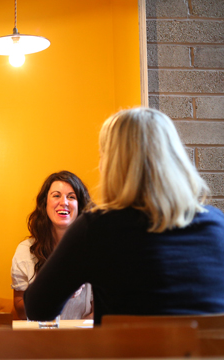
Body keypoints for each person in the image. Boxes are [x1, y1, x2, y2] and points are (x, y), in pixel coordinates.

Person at [25, 107, 224, 325]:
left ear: (114, 165)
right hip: (209, 358)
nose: (100, 166)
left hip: (133, 358)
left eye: (103, 156)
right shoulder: (216, 224)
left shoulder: (96, 229)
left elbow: (37, 308)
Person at [11, 171, 93, 320]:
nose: (64, 202)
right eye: (56, 195)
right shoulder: (26, 251)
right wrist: (60, 290)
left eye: (71, 197)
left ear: (80, 205)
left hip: (82, 338)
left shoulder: (94, 250)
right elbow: (20, 308)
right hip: (39, 338)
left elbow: (101, 309)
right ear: (45, 203)